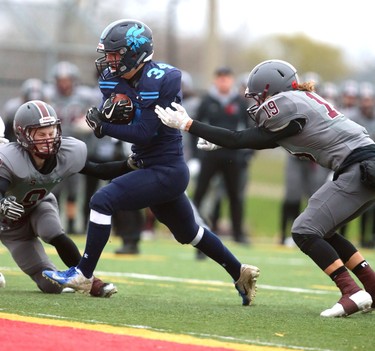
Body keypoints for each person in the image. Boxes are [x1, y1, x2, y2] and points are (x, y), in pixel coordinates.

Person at [42, 19, 260, 306]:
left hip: (166, 169)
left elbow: (145, 131)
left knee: (101, 201)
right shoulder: (112, 78)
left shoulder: (163, 78)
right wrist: (107, 119)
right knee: (190, 234)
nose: (108, 60)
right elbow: (124, 118)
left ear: (135, 52)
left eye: (114, 54)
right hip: (149, 165)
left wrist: (103, 126)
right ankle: (239, 271)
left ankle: (84, 273)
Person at [155, 59, 375, 317]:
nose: (257, 103)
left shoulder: (286, 103)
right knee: (323, 230)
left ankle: (350, 290)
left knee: (304, 229)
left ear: (272, 90)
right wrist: (221, 142)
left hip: (358, 168)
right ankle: (370, 285)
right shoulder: (302, 101)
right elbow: (265, 140)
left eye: (259, 96)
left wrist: (189, 125)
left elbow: (244, 138)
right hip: (365, 166)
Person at [0, 100, 132, 296]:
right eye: (41, 134)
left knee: (52, 231)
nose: (47, 139)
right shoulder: (9, 158)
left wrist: (130, 165)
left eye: (51, 133)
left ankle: (90, 281)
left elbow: (99, 171)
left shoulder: (67, 152)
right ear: (23, 135)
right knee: (51, 286)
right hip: (11, 226)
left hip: (38, 205)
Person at [192, 66, 254, 244]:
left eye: (226, 78)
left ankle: (238, 234)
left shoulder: (240, 102)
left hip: (233, 156)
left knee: (235, 196)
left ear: (231, 80)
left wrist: (247, 154)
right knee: (200, 193)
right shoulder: (207, 100)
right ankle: (190, 228)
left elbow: (250, 129)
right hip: (209, 155)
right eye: (220, 78)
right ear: (215, 80)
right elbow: (194, 126)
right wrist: (195, 155)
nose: (223, 81)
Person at [45, 61, 96, 234]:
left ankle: (73, 224)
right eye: (61, 79)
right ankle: (54, 223)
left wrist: (85, 125)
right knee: (54, 190)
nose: (64, 83)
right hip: (51, 151)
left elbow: (93, 119)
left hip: (75, 148)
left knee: (74, 190)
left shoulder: (84, 96)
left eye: (67, 79)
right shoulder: (48, 96)